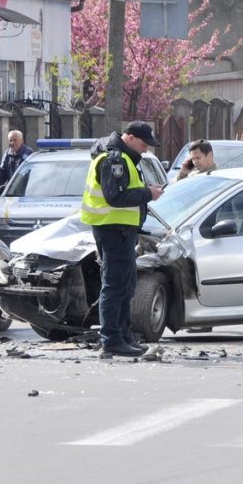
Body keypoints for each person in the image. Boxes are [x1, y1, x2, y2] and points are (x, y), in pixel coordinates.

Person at [80, 120, 164, 357]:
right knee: (115, 286)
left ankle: (123, 335)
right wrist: (148, 193)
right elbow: (114, 197)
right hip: (112, 229)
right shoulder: (114, 159)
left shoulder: (124, 157)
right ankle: (111, 340)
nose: (146, 148)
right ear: (129, 137)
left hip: (120, 229)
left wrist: (145, 191)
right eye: (144, 143)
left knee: (125, 285)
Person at [0, 130, 33, 199]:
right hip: (12, 193)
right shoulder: (8, 154)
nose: (12, 143)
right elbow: (0, 172)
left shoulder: (28, 154)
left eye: (15, 140)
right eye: (10, 140)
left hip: (27, 194)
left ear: (22, 141)